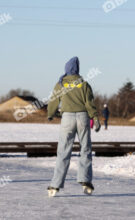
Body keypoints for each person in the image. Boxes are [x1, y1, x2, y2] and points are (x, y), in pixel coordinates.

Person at [47, 56, 101, 197]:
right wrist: (95, 117)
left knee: (63, 151)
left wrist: (50, 114)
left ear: (66, 69)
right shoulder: (83, 84)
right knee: (85, 149)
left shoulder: (61, 84)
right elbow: (89, 103)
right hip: (83, 117)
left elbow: (53, 100)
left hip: (67, 118)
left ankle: (55, 184)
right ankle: (85, 181)